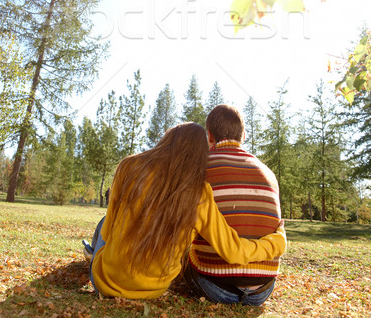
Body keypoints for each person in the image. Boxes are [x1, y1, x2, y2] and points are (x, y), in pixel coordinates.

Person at [83, 122, 286, 300]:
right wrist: (276, 243)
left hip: (106, 280)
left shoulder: (129, 166)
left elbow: (108, 232)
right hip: (153, 289)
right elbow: (234, 252)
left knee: (103, 222)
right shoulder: (200, 193)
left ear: (168, 141)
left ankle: (92, 255)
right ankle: (95, 255)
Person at [186, 105, 282, 306]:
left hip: (215, 286)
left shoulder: (198, 168)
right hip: (263, 289)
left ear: (209, 136)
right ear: (243, 135)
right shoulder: (269, 174)